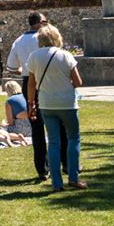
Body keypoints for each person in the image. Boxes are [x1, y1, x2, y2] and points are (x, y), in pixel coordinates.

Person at [26, 24, 86, 191]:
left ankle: (56, 183)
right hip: (67, 103)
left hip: (46, 103)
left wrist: (31, 104)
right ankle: (73, 178)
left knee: (53, 142)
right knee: (73, 138)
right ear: (56, 37)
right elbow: (78, 82)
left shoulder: (34, 57)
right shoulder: (65, 55)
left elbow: (31, 84)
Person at [8, 11, 53, 185]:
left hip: (28, 81)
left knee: (37, 126)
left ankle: (42, 169)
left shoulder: (19, 41)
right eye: (46, 21)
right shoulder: (45, 37)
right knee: (57, 121)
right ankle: (65, 162)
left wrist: (22, 71)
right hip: (47, 78)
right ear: (40, 22)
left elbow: (12, 66)